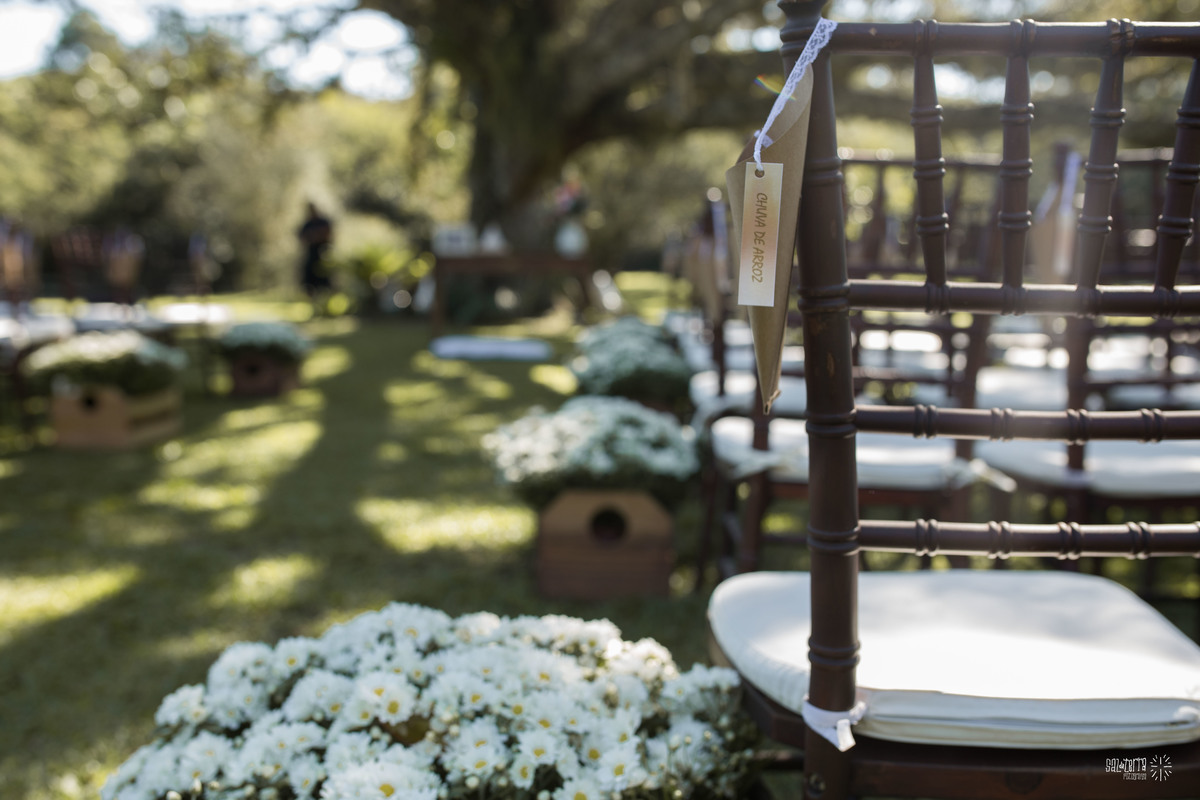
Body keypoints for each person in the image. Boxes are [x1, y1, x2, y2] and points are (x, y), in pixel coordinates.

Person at [297, 202, 333, 298]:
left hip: (323, 254)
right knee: (309, 277)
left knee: (325, 277)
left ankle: (326, 298)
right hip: (311, 254)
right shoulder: (307, 224)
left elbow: (328, 235)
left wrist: (314, 236)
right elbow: (302, 238)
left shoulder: (323, 222)